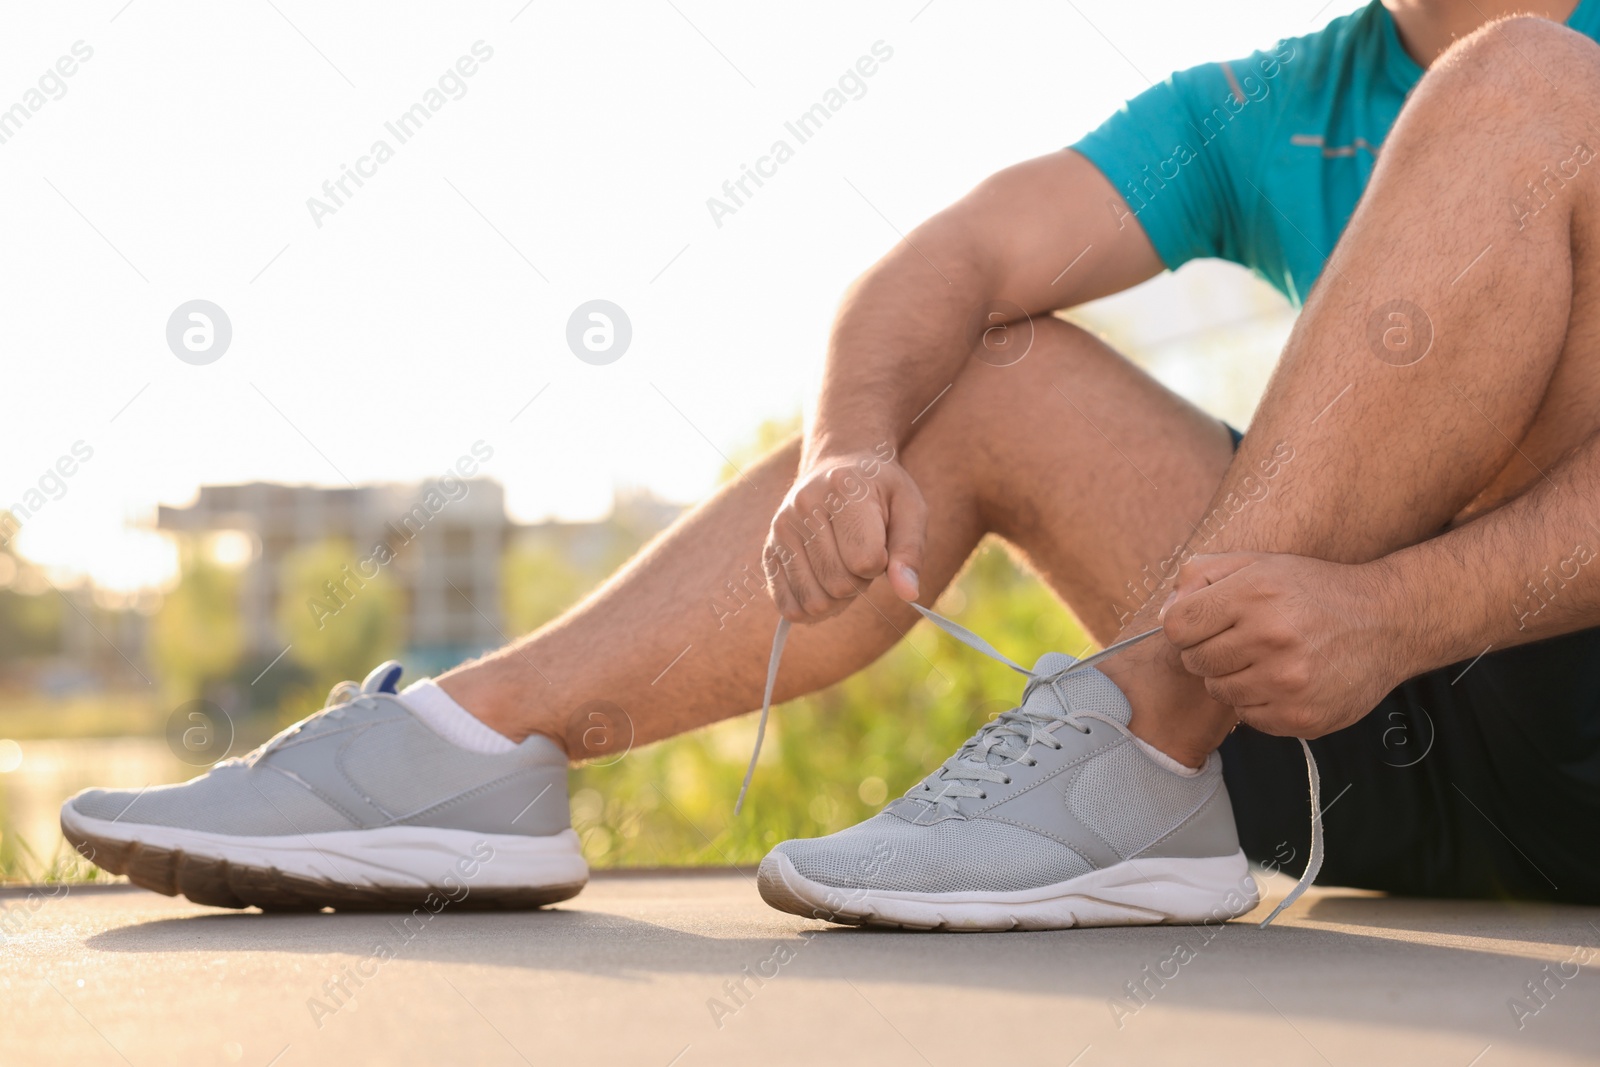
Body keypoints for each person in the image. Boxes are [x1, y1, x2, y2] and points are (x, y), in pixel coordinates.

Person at [64, 0, 1600, 926]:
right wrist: (850, 452)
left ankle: (1144, 740)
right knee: (984, 358)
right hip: (1340, 731)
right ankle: (469, 757)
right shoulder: (1275, 101)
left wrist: (1399, 617)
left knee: (1527, 87)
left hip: (1514, 666)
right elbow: (956, 257)